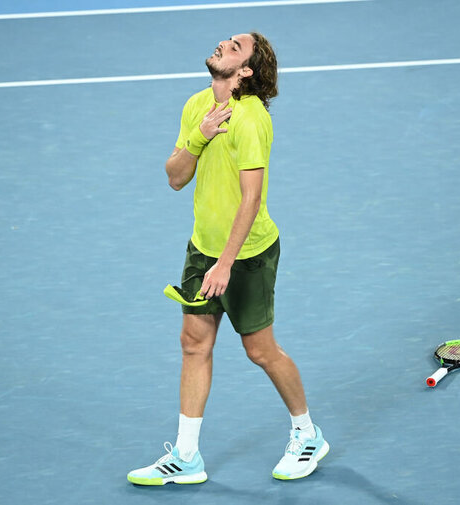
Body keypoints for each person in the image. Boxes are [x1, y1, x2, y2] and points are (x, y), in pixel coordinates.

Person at [127, 32, 328, 485]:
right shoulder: (197, 104)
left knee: (260, 350)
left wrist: (226, 264)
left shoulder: (252, 121)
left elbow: (251, 199)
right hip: (203, 247)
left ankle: (308, 434)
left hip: (248, 255)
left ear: (245, 73)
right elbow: (175, 178)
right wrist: (197, 137)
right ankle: (186, 456)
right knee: (193, 343)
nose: (223, 43)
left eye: (235, 47)